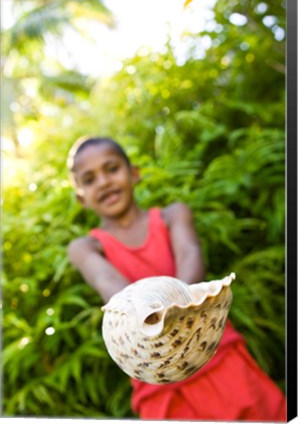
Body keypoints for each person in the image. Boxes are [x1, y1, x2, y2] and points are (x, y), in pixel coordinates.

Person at [67, 135, 286, 421]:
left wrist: (174, 308)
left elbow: (190, 256)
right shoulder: (84, 248)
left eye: (112, 169)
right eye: (90, 179)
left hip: (214, 356)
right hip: (158, 379)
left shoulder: (173, 215)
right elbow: (108, 283)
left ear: (134, 173)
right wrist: (148, 312)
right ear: (81, 197)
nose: (105, 182)